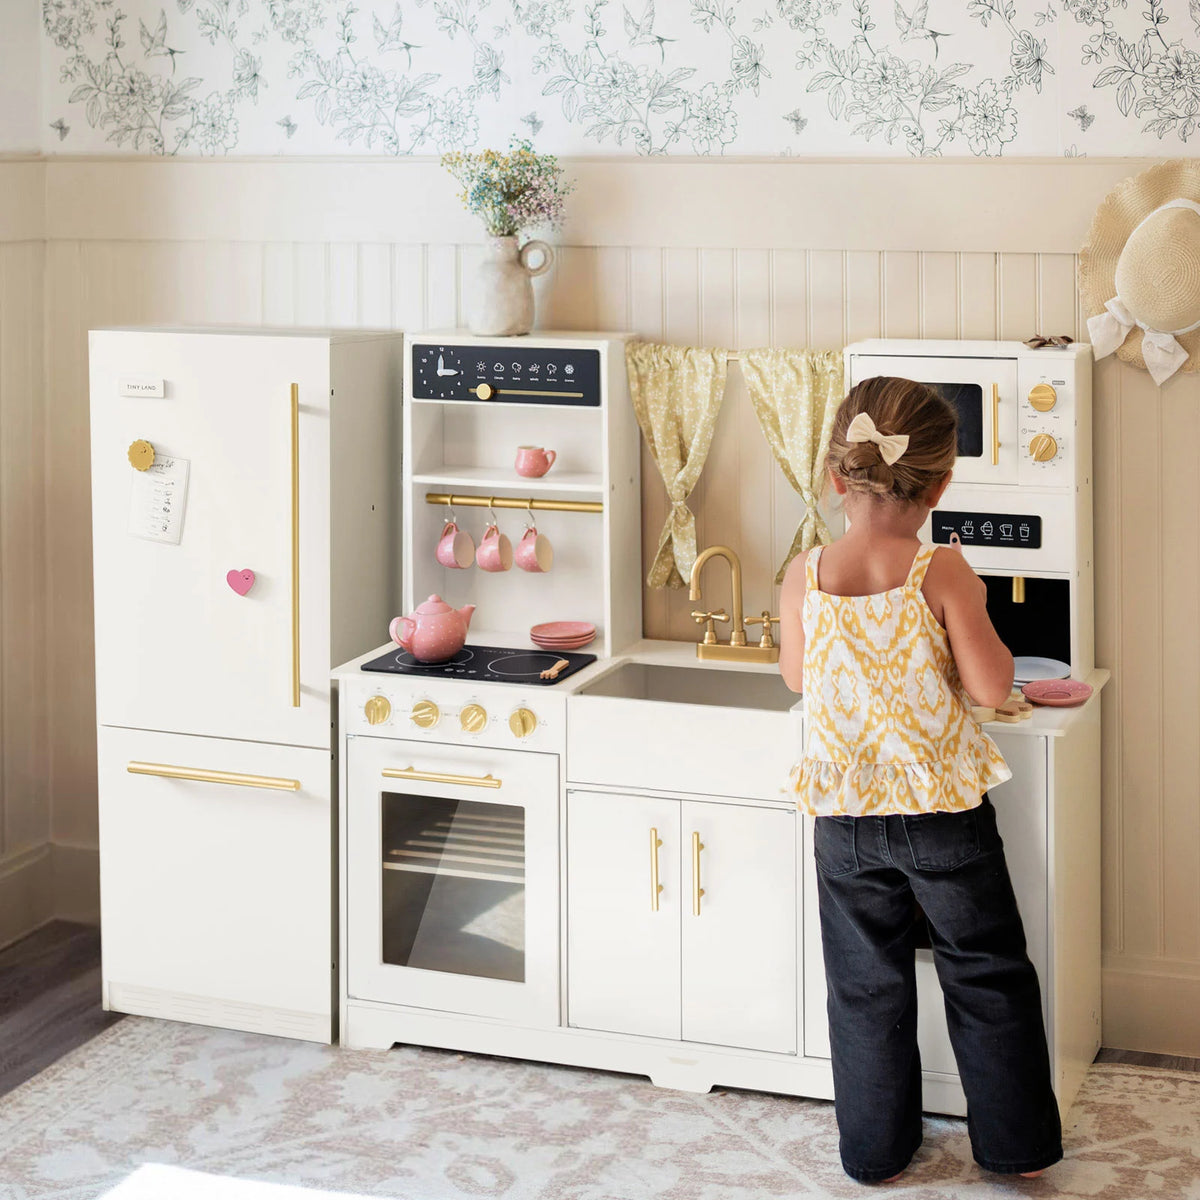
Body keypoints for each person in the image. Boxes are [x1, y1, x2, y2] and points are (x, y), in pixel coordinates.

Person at [778, 375, 1062, 1184]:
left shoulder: (805, 572)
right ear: (940, 484)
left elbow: (797, 678)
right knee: (986, 973)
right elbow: (990, 686)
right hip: (941, 817)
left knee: (864, 989)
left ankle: (874, 1153)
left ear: (836, 475)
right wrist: (975, 601)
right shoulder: (940, 570)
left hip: (844, 821)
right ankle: (1015, 1151)